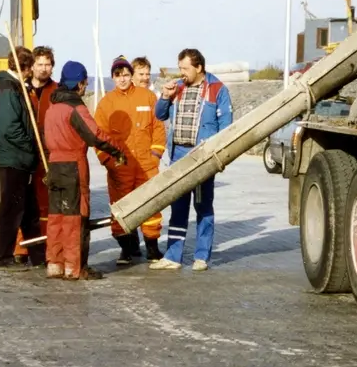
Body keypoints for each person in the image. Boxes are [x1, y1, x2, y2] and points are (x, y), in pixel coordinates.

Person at [149, 48, 233, 272]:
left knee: (203, 206)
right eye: (180, 68)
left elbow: (227, 127)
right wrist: (165, 97)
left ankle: (201, 256)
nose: (182, 72)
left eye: (185, 68)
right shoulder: (177, 87)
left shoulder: (217, 90)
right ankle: (173, 256)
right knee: (178, 206)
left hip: (203, 156)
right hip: (178, 154)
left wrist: (218, 157)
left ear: (199, 68)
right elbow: (159, 114)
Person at [43, 61, 127, 281]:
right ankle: (75, 267)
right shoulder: (75, 108)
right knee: (76, 217)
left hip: (54, 165)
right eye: (84, 83)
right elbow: (95, 135)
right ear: (78, 83)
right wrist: (117, 149)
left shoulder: (52, 108)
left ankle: (55, 263)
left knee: (56, 217)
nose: (84, 87)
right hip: (73, 165)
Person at [94, 55, 166, 264]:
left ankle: (152, 248)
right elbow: (99, 136)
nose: (123, 79)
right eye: (118, 75)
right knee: (121, 209)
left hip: (146, 165)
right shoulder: (106, 104)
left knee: (151, 205)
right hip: (120, 166)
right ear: (113, 78)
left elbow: (158, 128)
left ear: (131, 76)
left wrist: (155, 155)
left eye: (126, 74)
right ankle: (127, 249)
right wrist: (109, 162)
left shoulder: (147, 97)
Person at [0, 45, 46, 271]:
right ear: (24, 67)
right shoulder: (8, 88)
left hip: (23, 160)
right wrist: (31, 146)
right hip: (13, 159)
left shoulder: (18, 87)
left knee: (29, 209)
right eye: (31, 67)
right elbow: (10, 128)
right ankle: (4, 256)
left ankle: (38, 255)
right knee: (11, 209)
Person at [13, 46, 58, 263]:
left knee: (46, 204)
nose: (43, 68)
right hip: (25, 153)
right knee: (23, 202)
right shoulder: (20, 89)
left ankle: (45, 245)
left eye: (47, 64)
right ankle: (21, 248)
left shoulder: (57, 92)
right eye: (39, 64)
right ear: (32, 66)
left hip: (49, 154)